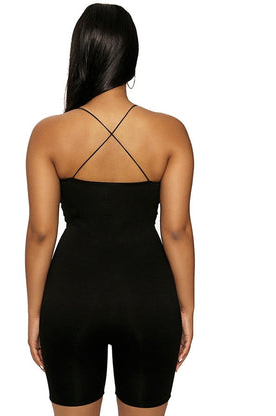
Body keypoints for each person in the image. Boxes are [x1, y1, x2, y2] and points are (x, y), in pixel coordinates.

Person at [25, 3, 195, 416]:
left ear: (81, 54)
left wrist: (34, 313)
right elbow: (176, 231)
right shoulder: (171, 132)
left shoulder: (48, 134)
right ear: (131, 55)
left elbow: (41, 233)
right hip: (149, 299)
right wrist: (186, 308)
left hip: (70, 299)